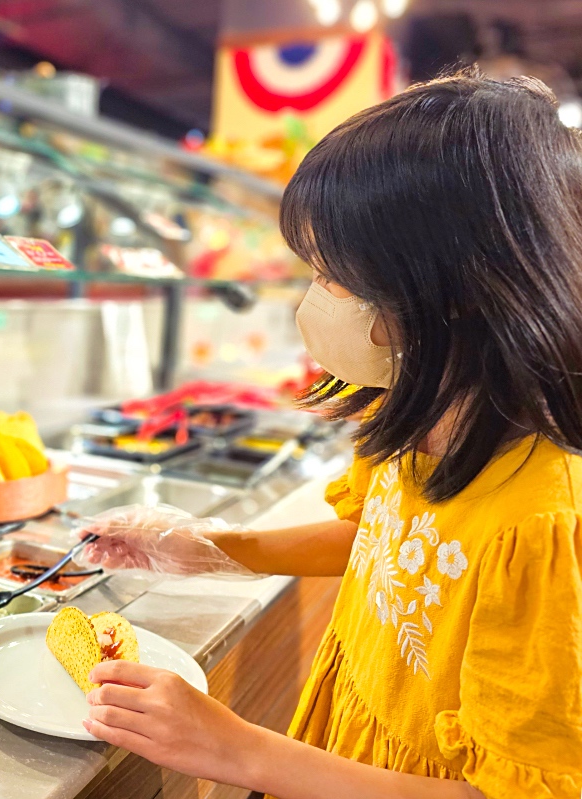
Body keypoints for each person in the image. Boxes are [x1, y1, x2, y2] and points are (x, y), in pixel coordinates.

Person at [77, 69, 582, 799]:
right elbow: (381, 544)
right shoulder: (417, 419)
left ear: (457, 290)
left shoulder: (545, 523)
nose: (314, 299)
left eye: (333, 275)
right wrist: (210, 547)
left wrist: (236, 747)